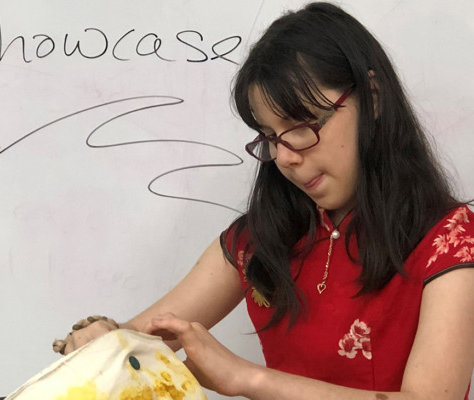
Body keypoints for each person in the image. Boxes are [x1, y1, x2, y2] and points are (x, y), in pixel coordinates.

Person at [53, 2, 474, 399]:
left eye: (302, 126)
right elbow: (139, 337)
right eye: (271, 137)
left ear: (373, 99)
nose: (285, 156)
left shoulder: (449, 238)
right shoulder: (262, 237)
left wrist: (247, 378)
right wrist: (101, 332)